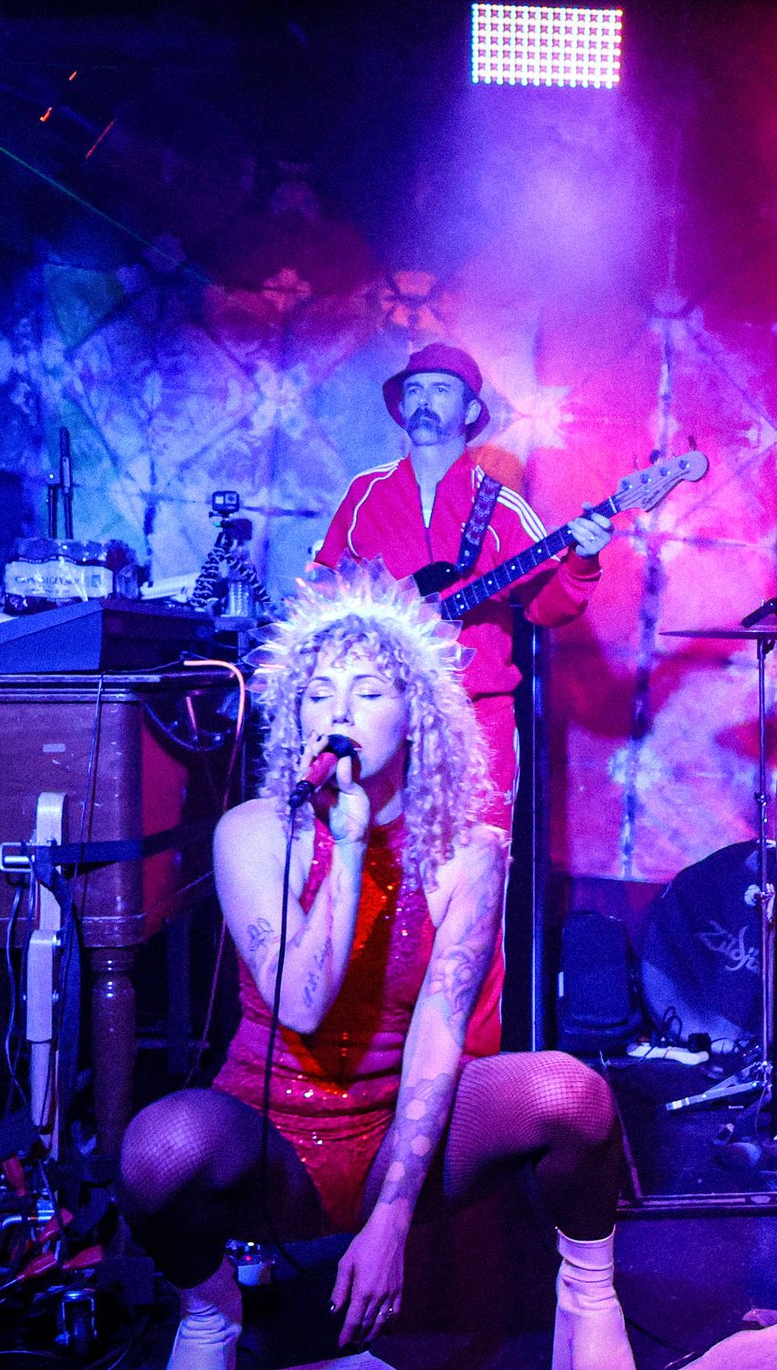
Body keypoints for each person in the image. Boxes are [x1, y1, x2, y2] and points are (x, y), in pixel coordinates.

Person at [115, 565, 631, 1370]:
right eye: (319, 693)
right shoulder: (254, 831)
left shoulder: (470, 850)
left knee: (575, 1095)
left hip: (403, 1134)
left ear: (415, 712)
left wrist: (391, 1216)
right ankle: (210, 1309)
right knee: (158, 1149)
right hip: (272, 1141)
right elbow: (303, 1003)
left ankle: (590, 1295)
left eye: (367, 691)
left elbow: (439, 1031)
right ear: (296, 715)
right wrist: (349, 848)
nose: (340, 713)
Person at [316, 343, 611, 827]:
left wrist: (583, 559)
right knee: (367, 856)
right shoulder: (365, 492)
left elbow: (545, 606)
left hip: (474, 716)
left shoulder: (503, 507)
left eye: (440, 390)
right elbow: (325, 589)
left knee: (475, 856)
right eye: (414, 390)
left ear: (471, 410)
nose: (423, 400)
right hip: (376, 718)